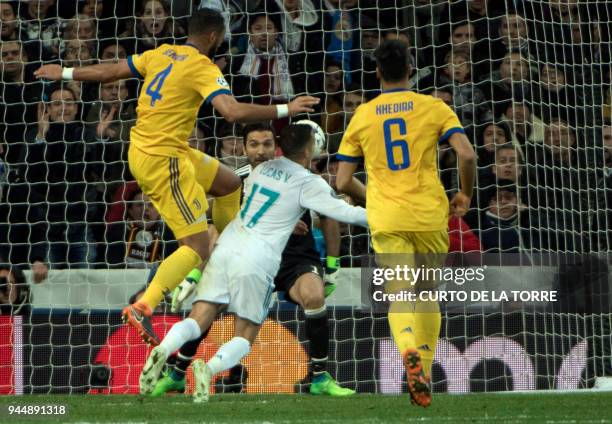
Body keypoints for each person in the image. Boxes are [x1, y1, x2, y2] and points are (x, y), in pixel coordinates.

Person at [34, 8, 319, 345]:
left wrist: (65, 71)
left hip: (157, 147)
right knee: (196, 246)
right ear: (214, 37)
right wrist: (287, 109)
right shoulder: (202, 67)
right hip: (162, 158)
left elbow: (110, 70)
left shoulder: (161, 52)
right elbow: (232, 112)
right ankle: (144, 304)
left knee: (229, 184)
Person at [139, 124, 368, 402]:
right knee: (244, 334)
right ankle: (196, 371)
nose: (261, 151)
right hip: (260, 258)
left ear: (278, 146)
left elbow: (326, 218)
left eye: (267, 144)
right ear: (245, 148)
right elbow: (345, 213)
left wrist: (332, 264)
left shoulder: (260, 174)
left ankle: (319, 375)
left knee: (205, 314)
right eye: (254, 145)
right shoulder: (272, 180)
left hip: (284, 258)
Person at [335, 40, 476, 407]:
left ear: (377, 72)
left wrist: (374, 198)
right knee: (427, 294)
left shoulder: (363, 115)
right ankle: (423, 370)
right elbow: (466, 153)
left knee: (400, 296)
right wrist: (465, 193)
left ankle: (408, 350)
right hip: (430, 214)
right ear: (411, 69)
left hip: (388, 218)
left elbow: (341, 181)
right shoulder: (434, 107)